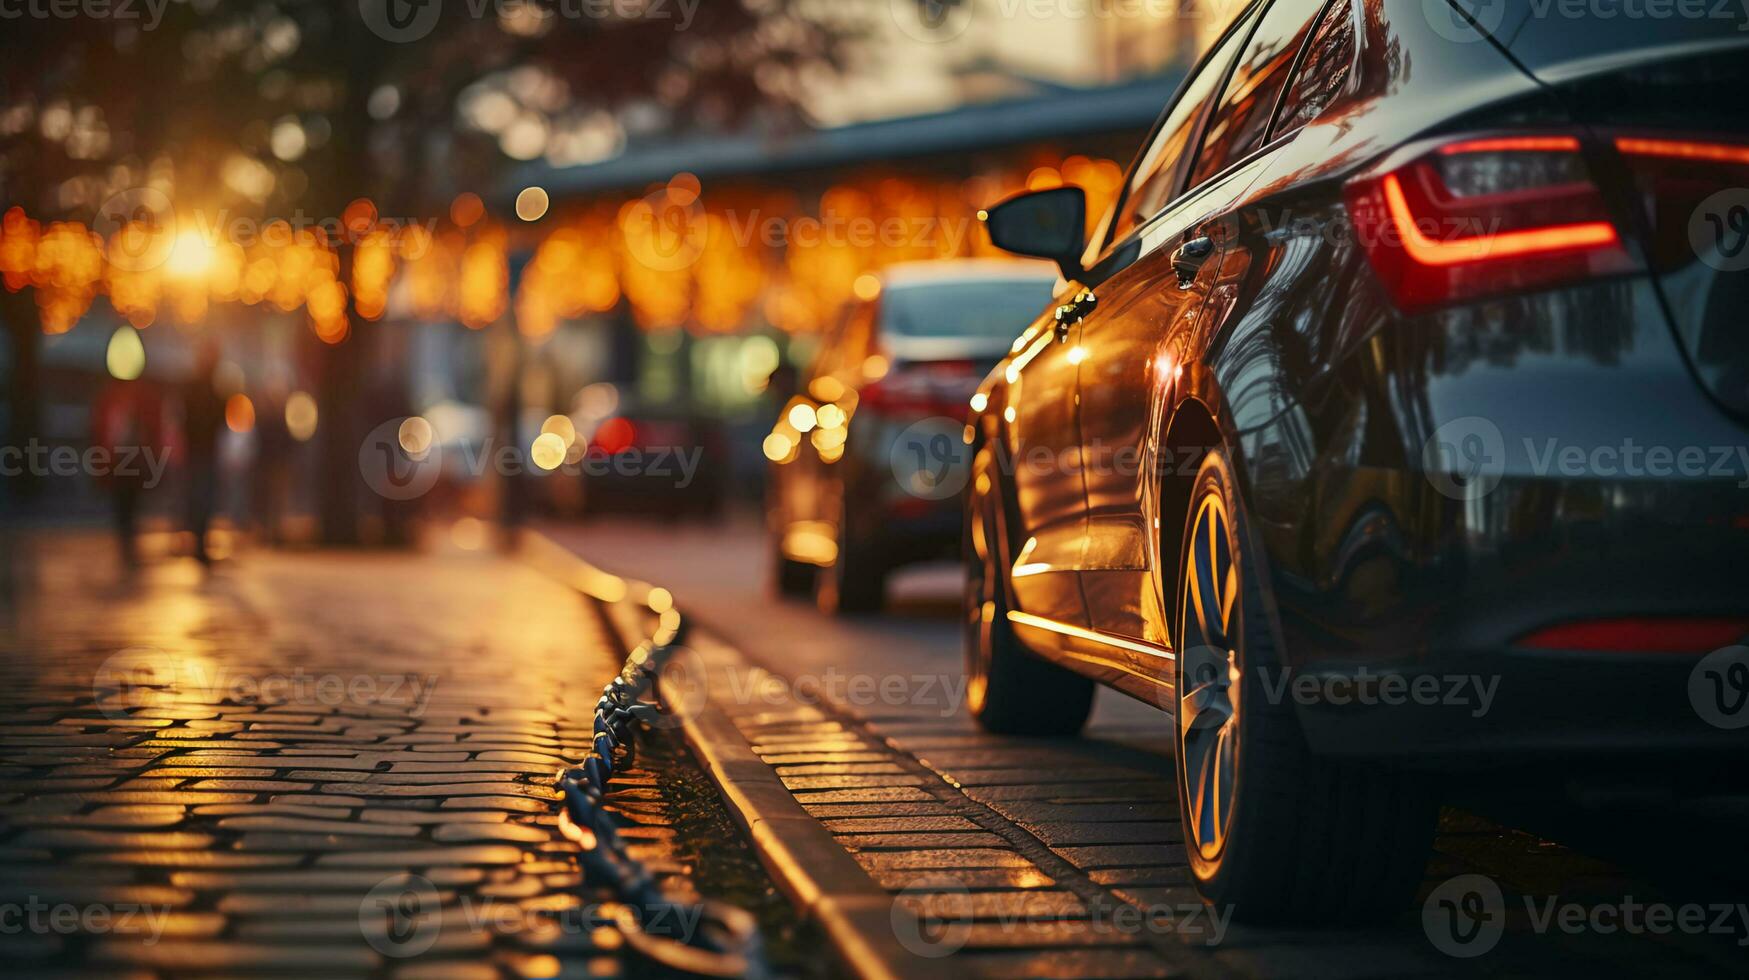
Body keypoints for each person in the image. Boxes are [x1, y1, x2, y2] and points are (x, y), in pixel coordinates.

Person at [91, 376, 169, 568]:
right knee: (124, 503)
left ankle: (127, 539)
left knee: (128, 503)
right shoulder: (116, 400)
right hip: (121, 460)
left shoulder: (122, 400)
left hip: (128, 461)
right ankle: (126, 539)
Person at [181, 340, 225, 564]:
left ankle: (198, 542)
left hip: (200, 452)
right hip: (202, 453)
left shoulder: (201, 388)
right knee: (202, 498)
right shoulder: (211, 390)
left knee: (201, 498)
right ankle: (199, 543)